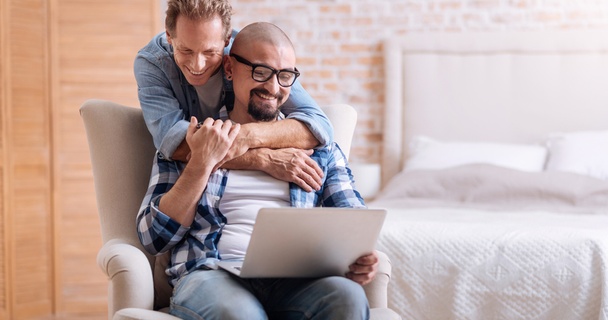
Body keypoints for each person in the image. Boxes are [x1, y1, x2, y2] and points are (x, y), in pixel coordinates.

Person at [137, 22, 378, 320]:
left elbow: (354, 218)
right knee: (239, 313)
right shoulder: (192, 140)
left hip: (298, 282)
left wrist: (362, 255)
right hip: (213, 274)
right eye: (260, 72)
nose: (273, 88)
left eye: (285, 76)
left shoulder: (318, 147)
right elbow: (154, 237)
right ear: (229, 69)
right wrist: (202, 162)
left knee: (348, 298)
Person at [134, 0, 332, 192]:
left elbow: (318, 126)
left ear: (227, 40)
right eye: (185, 50)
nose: (198, 65)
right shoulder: (152, 63)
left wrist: (246, 137)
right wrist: (262, 159)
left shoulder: (247, 55)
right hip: (190, 179)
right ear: (170, 36)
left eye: (210, 52)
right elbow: (175, 144)